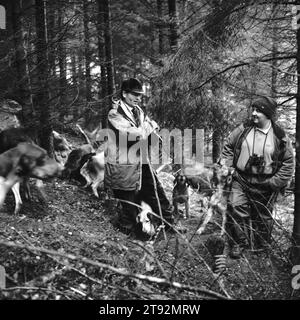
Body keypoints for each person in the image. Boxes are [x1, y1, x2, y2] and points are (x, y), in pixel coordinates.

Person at [104, 78, 185, 239]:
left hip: (142, 161)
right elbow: (133, 134)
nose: (138, 98)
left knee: (156, 191)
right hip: (123, 165)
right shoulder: (114, 113)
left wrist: (153, 134)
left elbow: (148, 130)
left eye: (140, 95)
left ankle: (169, 224)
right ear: (124, 93)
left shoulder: (138, 111)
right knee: (128, 201)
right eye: (135, 95)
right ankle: (127, 232)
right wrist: (148, 128)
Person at [220, 96, 294, 259]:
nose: (253, 113)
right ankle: (239, 243)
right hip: (241, 179)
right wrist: (228, 168)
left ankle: (261, 247)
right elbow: (228, 148)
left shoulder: (280, 136)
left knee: (263, 217)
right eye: (253, 109)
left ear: (268, 114)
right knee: (236, 207)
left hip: (266, 183)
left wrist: (274, 182)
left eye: (258, 111)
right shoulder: (242, 129)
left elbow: (288, 163)